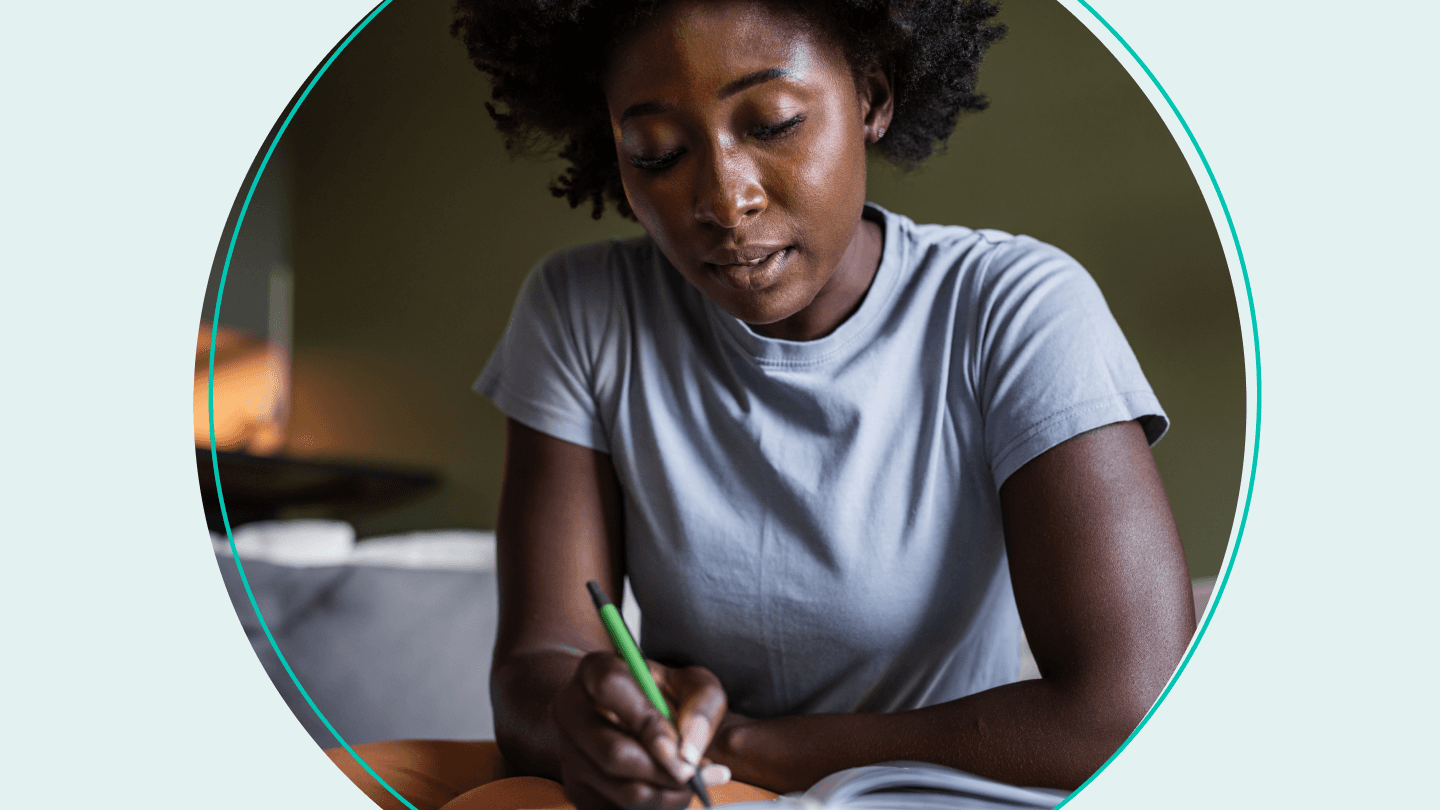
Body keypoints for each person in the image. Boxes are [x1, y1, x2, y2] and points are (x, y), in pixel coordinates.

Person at [328, 0, 1196, 807]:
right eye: (657, 152)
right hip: (673, 783)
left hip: (909, 784)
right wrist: (586, 716)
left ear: (872, 98)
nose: (721, 198)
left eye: (774, 124)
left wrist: (753, 748)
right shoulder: (583, 308)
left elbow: (1129, 709)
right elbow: (536, 664)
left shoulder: (1012, 306)